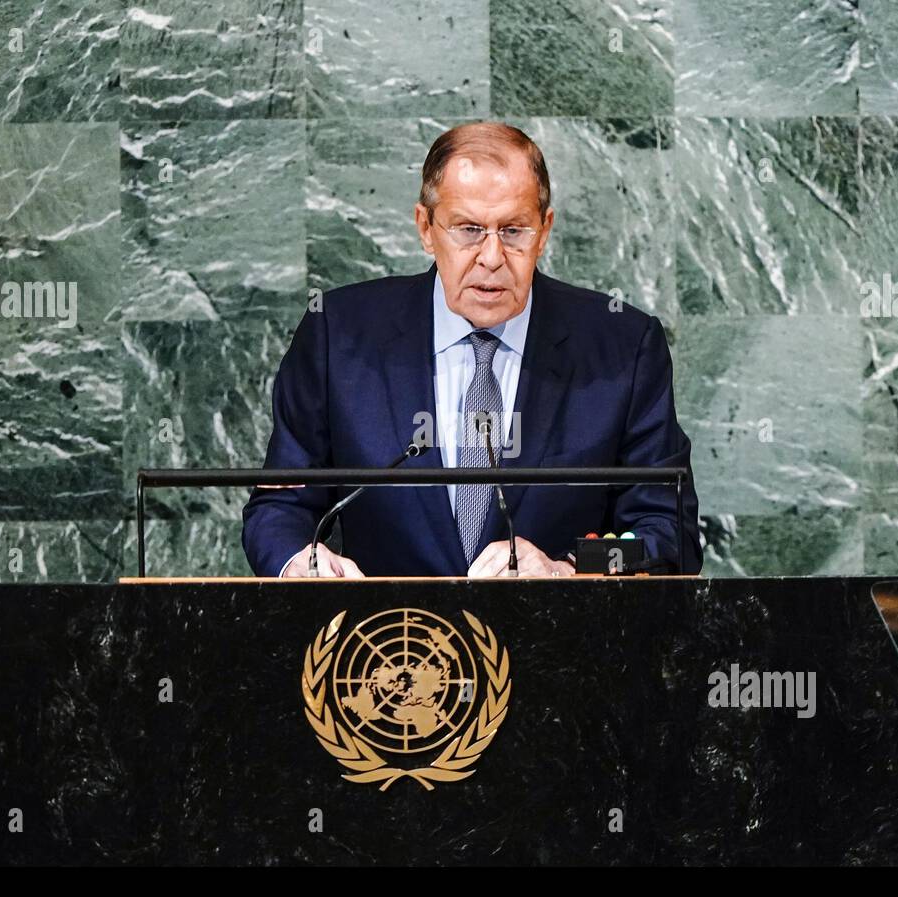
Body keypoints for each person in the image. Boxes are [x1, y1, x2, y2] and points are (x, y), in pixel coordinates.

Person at [242, 122, 701, 578]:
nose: (491, 257)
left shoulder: (622, 347)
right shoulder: (338, 336)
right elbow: (280, 506)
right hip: (391, 642)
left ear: (544, 231)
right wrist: (299, 562)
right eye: (468, 229)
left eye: (514, 231)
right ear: (426, 228)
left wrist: (568, 569)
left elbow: (667, 533)